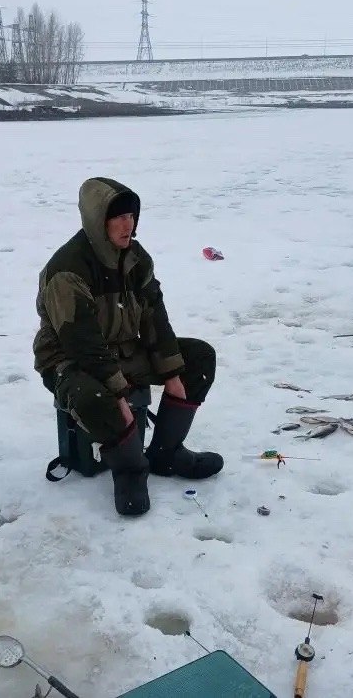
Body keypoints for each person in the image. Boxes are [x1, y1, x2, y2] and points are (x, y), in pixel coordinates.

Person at [34, 177, 223, 516]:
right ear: (97, 221)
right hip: (68, 360)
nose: (128, 224)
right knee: (95, 396)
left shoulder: (135, 259)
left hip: (121, 351)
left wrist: (173, 372)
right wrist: (118, 392)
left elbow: (155, 319)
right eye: (117, 217)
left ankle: (166, 453)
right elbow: (83, 345)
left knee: (199, 358)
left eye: (131, 216)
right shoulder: (69, 268)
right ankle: (131, 471)